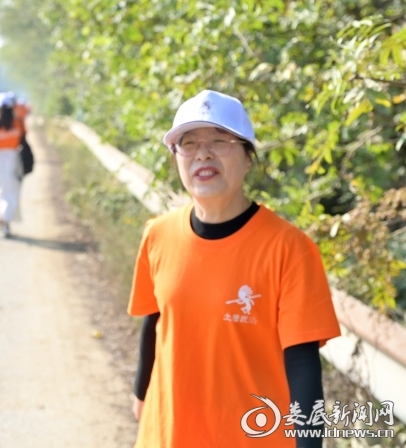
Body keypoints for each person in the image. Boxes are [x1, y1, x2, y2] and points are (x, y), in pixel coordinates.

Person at [128, 90, 341, 448]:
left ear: (247, 158)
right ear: (176, 159)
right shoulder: (157, 235)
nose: (203, 153)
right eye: (189, 143)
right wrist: (140, 393)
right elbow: (154, 321)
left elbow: (303, 366)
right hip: (167, 435)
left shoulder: (289, 249)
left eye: (219, 141)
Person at [0, 92, 26, 237]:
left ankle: (1, 221)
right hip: (13, 159)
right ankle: (6, 221)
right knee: (11, 192)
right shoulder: (18, 123)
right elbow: (23, 139)